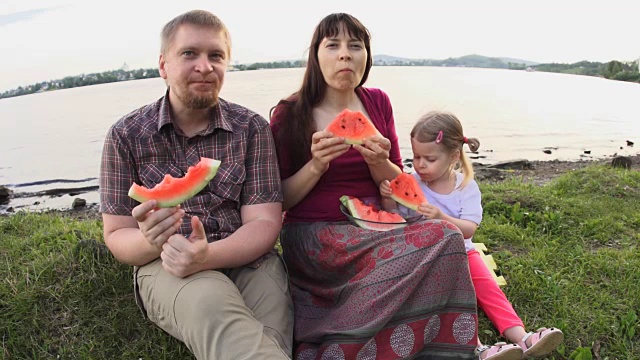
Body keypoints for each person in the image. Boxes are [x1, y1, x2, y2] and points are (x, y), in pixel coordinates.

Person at [269, 13, 479, 359]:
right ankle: (345, 343)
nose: (345, 55)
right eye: (333, 45)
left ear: (366, 56)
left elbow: (396, 182)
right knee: (435, 243)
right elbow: (280, 200)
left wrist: (377, 160)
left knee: (449, 239)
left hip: (381, 219)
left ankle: (444, 349)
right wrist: (317, 165)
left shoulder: (378, 102)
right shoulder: (290, 113)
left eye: (355, 45)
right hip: (315, 233)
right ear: (315, 55)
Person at [99, 10, 293, 360]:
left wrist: (207, 256)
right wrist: (148, 239)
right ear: (163, 65)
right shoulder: (125, 135)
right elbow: (116, 235)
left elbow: (264, 222)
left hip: (247, 257)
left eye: (216, 55)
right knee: (214, 309)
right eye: (189, 53)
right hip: (167, 261)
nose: (205, 66)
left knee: (271, 337)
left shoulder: (251, 128)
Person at [379, 111, 565, 360]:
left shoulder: (465, 186)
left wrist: (440, 217)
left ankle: (524, 338)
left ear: (454, 156)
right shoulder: (411, 182)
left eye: (429, 159)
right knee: (456, 298)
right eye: (416, 157)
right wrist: (387, 197)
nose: (420, 164)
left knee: (489, 289)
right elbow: (395, 215)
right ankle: (477, 347)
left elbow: (469, 229)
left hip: (464, 250)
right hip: (427, 258)